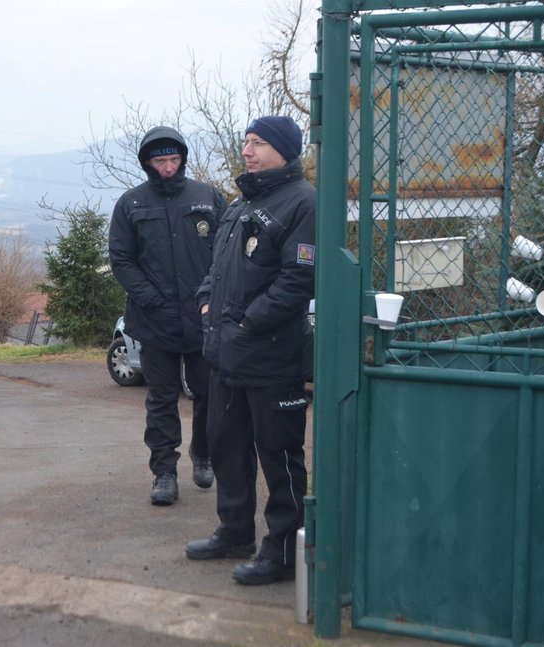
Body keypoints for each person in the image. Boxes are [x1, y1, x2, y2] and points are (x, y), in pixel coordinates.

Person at [185, 115, 315, 585]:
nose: (248, 150)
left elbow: (299, 280)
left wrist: (246, 323)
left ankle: (281, 551)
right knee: (226, 449)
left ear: (285, 150)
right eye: (246, 142)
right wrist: (205, 303)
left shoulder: (303, 202)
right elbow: (216, 270)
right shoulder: (241, 204)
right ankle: (234, 530)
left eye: (258, 143)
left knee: (279, 456)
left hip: (272, 357)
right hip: (225, 355)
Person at [109, 126, 227, 506]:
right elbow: (121, 259)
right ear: (147, 162)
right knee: (161, 398)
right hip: (153, 320)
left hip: (202, 317)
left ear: (183, 159)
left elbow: (226, 251)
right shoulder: (131, 204)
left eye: (173, 159)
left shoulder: (207, 197)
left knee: (208, 393)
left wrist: (212, 297)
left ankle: (203, 454)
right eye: (160, 161)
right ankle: (164, 472)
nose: (167, 167)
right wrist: (149, 298)